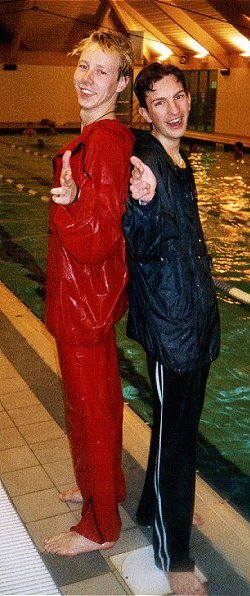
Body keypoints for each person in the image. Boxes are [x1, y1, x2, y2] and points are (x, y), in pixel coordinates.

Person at [123, 63, 220, 595]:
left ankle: (154, 507)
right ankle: (172, 552)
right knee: (178, 443)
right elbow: (136, 238)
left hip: (194, 319)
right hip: (170, 326)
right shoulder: (148, 163)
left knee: (174, 431)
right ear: (144, 112)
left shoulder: (182, 161)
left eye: (178, 97)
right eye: (159, 102)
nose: (174, 109)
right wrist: (140, 203)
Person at [44, 30, 134, 557]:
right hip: (86, 301)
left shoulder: (103, 141)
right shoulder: (98, 137)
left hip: (85, 303)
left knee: (90, 411)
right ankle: (104, 488)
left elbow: (99, 239)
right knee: (96, 406)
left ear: (121, 83)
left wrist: (71, 202)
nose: (87, 77)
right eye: (84, 66)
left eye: (102, 71)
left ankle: (99, 526)